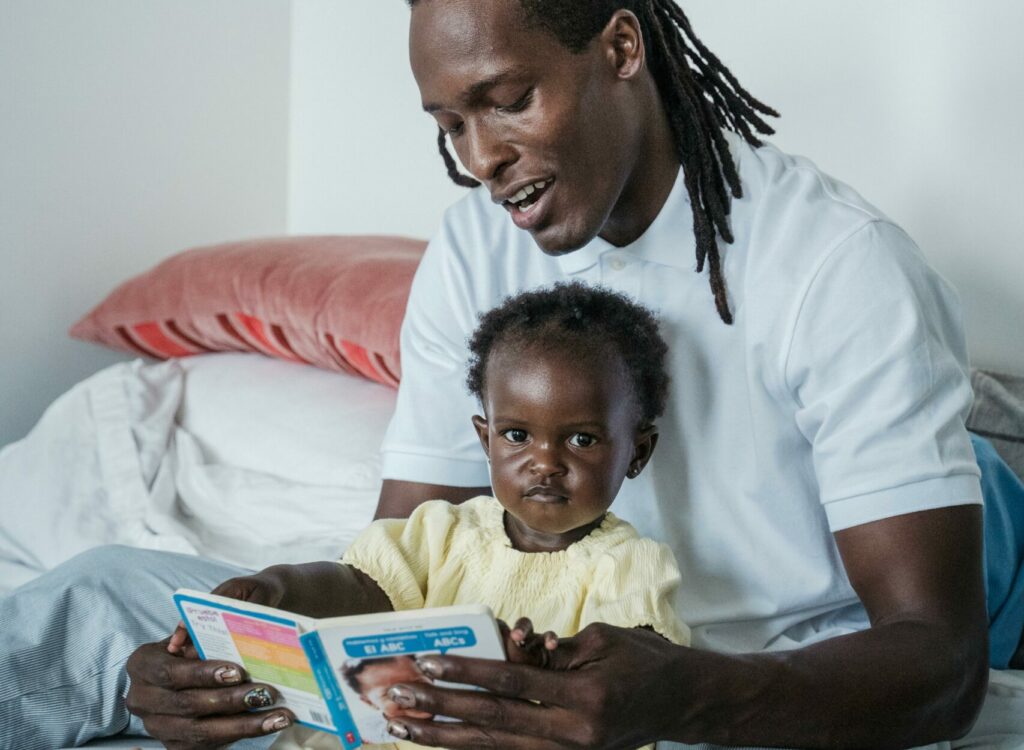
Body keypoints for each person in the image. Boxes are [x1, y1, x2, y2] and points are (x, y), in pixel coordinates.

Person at [1, 0, 1022, 748]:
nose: (480, 156)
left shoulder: (837, 267)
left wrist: (681, 695)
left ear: (621, 46)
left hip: (757, 654)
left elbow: (938, 667)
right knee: (104, 601)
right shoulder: (474, 250)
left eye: (507, 100)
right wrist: (255, 630)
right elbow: (404, 566)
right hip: (550, 642)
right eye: (449, 123)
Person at [196, 282, 687, 750]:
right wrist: (279, 587)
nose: (544, 463)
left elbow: (632, 678)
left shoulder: (630, 563)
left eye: (582, 439)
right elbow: (358, 588)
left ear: (637, 453)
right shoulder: (442, 531)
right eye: (517, 435)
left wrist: (542, 665)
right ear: (484, 439)